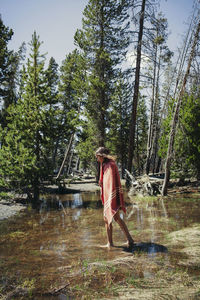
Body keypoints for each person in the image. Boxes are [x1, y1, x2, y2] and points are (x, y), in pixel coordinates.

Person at [95, 146, 134, 249]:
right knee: (115, 218)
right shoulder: (105, 165)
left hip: (112, 196)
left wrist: (110, 198)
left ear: (101, 156)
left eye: (97, 156)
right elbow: (105, 182)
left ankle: (110, 243)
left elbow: (112, 183)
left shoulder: (110, 165)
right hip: (110, 196)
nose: (97, 159)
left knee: (108, 219)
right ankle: (129, 240)